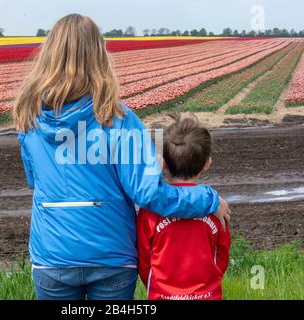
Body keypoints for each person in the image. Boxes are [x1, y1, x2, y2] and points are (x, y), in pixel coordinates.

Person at [13, 13, 230, 300]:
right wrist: (207, 200)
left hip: (52, 255)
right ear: (99, 55)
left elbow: (35, 180)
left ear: (48, 55)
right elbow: (148, 193)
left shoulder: (29, 120)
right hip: (111, 257)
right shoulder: (118, 119)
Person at [137, 115, 231, 300]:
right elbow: (222, 254)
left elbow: (144, 258)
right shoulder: (216, 209)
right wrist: (209, 283)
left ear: (162, 164)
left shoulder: (150, 211)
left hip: (162, 295)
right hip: (207, 295)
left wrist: (157, 286)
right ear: (206, 164)